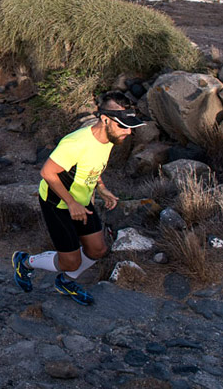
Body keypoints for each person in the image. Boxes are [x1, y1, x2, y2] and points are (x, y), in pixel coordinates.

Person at [11, 91, 142, 306]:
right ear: (105, 119)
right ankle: (25, 262)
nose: (127, 132)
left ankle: (65, 282)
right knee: (71, 262)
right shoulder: (76, 143)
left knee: (97, 249)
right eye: (123, 126)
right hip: (58, 203)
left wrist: (101, 187)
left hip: (82, 201)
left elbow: (93, 166)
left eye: (130, 126)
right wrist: (71, 203)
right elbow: (47, 173)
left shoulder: (109, 138)